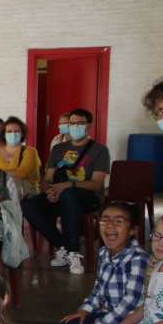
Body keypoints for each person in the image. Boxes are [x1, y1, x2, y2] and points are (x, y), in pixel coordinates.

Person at [21, 108, 110, 275]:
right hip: (62, 195)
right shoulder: (58, 149)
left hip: (89, 198)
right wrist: (49, 191)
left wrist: (69, 185)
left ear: (89, 126)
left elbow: (97, 184)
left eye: (80, 123)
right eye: (72, 123)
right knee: (29, 206)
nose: (75, 126)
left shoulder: (99, 150)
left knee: (69, 194)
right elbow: (47, 178)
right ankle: (65, 246)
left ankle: (73, 251)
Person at [0, 116, 41, 199]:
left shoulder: (30, 151)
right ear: (4, 134)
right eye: (9, 131)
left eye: (16, 131)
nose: (13, 134)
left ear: (22, 133)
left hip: (28, 195)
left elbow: (24, 173)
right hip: (2, 192)